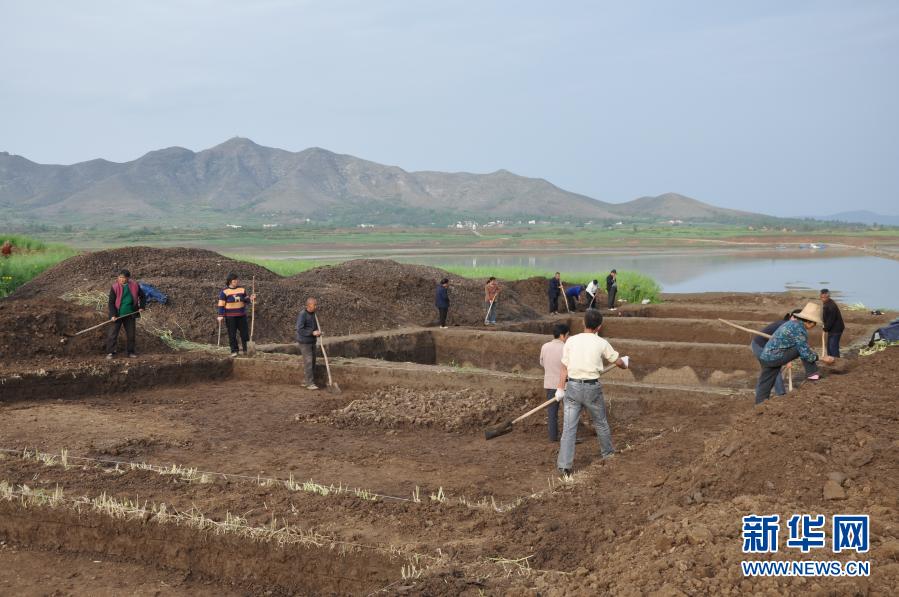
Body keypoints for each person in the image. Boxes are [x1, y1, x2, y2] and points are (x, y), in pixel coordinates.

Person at [555, 309, 629, 475]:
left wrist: (560, 388)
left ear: (583, 322)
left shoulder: (571, 341)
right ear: (599, 327)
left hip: (572, 388)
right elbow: (617, 362)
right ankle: (608, 455)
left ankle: (564, 466)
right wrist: (624, 362)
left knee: (568, 428)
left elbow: (564, 368)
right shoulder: (601, 343)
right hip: (591, 388)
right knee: (601, 422)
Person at [755, 302, 835, 404]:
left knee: (765, 383)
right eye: (814, 324)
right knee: (802, 350)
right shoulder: (800, 330)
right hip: (775, 357)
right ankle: (813, 375)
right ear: (809, 322)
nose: (814, 326)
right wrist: (822, 358)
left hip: (766, 356)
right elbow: (806, 354)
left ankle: (759, 406)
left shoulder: (791, 323)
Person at [750, 309, 801, 397]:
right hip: (760, 346)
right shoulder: (784, 326)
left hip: (765, 346)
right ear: (791, 317)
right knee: (773, 367)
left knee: (768, 370)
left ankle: (760, 393)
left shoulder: (791, 327)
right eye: (796, 318)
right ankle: (781, 394)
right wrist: (788, 360)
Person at [106, 269, 146, 359]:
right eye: (120, 277)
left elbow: (143, 296)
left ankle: (130, 352)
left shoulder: (135, 285)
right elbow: (111, 302)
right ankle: (111, 352)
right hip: (117, 315)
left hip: (130, 314)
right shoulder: (115, 287)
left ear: (128, 278)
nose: (121, 279)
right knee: (112, 334)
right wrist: (113, 315)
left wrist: (142, 307)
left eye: (123, 278)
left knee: (131, 334)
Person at [539, 323, 569, 442]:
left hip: (550, 383)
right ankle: (568, 437)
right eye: (567, 335)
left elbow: (542, 362)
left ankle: (553, 436)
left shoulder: (545, 346)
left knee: (552, 412)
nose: (567, 337)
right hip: (565, 384)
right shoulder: (565, 348)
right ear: (562, 335)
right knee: (569, 412)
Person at [216, 273, 256, 357]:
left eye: (237, 280)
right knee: (232, 334)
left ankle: (246, 350)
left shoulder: (242, 290)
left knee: (244, 334)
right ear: (230, 282)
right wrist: (220, 315)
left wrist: (251, 299)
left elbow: (246, 300)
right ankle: (234, 351)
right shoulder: (224, 292)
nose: (236, 282)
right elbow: (221, 304)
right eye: (234, 281)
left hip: (241, 315)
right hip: (230, 317)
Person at [296, 297, 321, 390]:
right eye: (315, 305)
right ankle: (310, 383)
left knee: (313, 362)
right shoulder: (302, 314)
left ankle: (306, 381)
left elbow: (313, 327)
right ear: (309, 305)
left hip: (312, 341)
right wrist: (312, 332)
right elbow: (299, 329)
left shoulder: (314, 314)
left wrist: (317, 332)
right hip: (304, 342)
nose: (316, 306)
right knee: (308, 362)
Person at [820, 289, 845, 358]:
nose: (823, 299)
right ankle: (830, 360)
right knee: (829, 347)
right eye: (822, 297)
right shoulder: (826, 304)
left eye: (825, 297)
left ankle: (837, 361)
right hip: (831, 329)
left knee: (833, 347)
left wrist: (825, 328)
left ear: (828, 296)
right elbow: (827, 318)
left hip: (836, 329)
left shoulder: (831, 306)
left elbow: (831, 320)